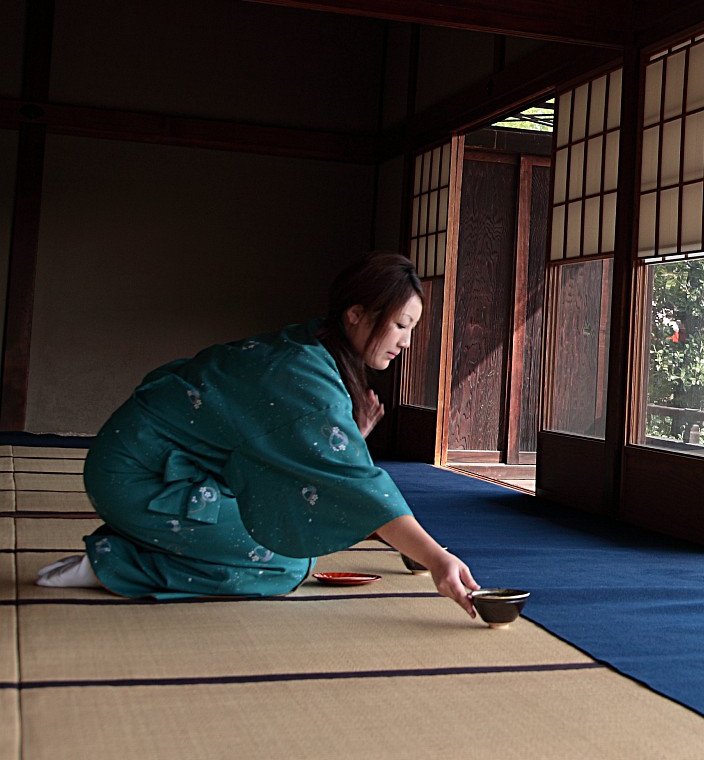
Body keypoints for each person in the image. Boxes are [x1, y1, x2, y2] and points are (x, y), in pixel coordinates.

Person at [36, 252, 480, 617]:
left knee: (280, 522)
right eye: (401, 325)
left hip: (155, 468)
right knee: (285, 564)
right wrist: (437, 559)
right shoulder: (306, 376)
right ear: (357, 314)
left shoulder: (311, 346)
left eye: (412, 330)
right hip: (137, 477)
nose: (405, 341)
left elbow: (300, 463)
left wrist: (350, 440)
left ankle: (142, 539)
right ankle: (117, 565)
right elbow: (356, 484)